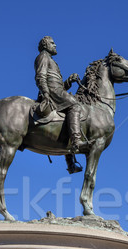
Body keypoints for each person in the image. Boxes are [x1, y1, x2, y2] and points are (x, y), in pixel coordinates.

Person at [35, 36, 85, 174]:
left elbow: (58, 84)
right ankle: (76, 141)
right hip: (52, 92)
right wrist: (45, 93)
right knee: (75, 105)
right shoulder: (43, 57)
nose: (55, 45)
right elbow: (41, 76)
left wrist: (69, 81)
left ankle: (71, 163)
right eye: (52, 43)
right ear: (45, 45)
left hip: (57, 90)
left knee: (66, 121)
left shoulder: (51, 60)